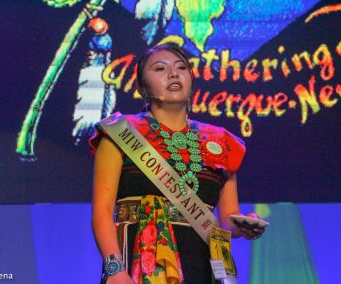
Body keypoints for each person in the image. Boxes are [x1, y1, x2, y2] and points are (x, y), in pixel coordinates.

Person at [90, 44, 265, 284]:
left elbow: (225, 221)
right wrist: (114, 269)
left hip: (205, 264)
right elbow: (101, 211)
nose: (174, 74)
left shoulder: (222, 141)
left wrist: (242, 226)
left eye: (182, 68)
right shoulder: (120, 132)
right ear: (142, 87)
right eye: (160, 68)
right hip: (139, 263)